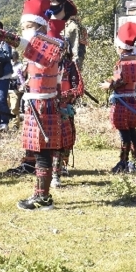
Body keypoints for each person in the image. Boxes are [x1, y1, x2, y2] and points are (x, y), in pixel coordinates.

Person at [0, 0, 69, 210]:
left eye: (29, 25)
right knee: (41, 151)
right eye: (23, 26)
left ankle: (43, 197)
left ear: (40, 26)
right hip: (38, 103)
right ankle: (42, 195)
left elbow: (25, 45)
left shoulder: (51, 45)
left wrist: (2, 35)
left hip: (44, 105)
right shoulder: (41, 47)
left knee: (43, 152)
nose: (25, 31)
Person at [101, 21, 136, 173]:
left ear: (120, 46)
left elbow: (121, 79)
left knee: (125, 135)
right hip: (132, 100)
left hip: (121, 103)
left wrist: (109, 85)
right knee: (132, 132)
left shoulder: (123, 61)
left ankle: (124, 163)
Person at [52, 48, 84, 187]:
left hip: (64, 108)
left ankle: (60, 169)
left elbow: (78, 89)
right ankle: (49, 171)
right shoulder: (46, 64)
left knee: (64, 141)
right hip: (47, 107)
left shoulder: (70, 66)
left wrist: (62, 98)